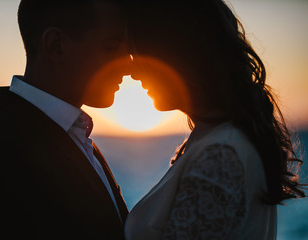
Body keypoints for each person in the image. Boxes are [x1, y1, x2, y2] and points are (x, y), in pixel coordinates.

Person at [125, 0, 306, 239]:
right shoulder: (217, 139)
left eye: (141, 56)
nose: (133, 73)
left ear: (180, 52)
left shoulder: (219, 153)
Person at [0, 0, 131, 239]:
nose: (129, 66)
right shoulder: (5, 153)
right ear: (56, 46)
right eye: (112, 47)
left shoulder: (66, 133)